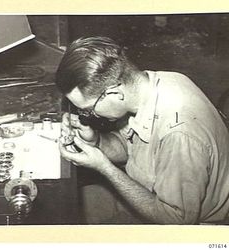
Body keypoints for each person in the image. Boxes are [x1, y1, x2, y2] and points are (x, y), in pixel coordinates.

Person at [55, 36, 229, 224]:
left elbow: (175, 222)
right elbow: (130, 149)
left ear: (114, 93)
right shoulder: (149, 86)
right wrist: (95, 141)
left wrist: (104, 167)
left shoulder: (179, 135)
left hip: (186, 224)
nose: (89, 115)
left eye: (89, 109)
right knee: (62, 206)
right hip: (149, 189)